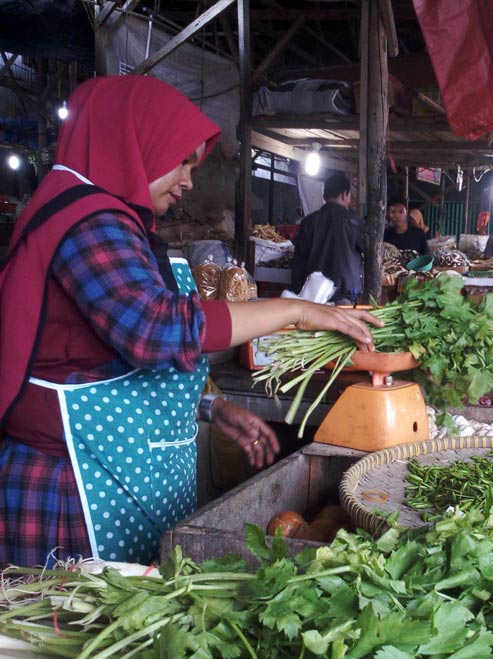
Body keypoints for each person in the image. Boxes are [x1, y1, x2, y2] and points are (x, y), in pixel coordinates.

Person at [0, 76, 382, 568]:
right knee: (75, 635)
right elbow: (156, 329)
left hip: (114, 474)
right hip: (71, 486)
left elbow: (105, 359)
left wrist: (210, 408)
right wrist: (298, 310)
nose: (188, 180)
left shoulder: (121, 223)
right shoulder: (87, 220)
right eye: (180, 160)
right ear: (134, 142)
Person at [291, 172, 367, 305]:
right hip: (344, 296)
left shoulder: (308, 222)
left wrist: (297, 292)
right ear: (344, 194)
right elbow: (369, 252)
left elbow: (299, 262)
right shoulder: (354, 222)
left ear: (324, 195)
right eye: (349, 196)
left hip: (313, 295)